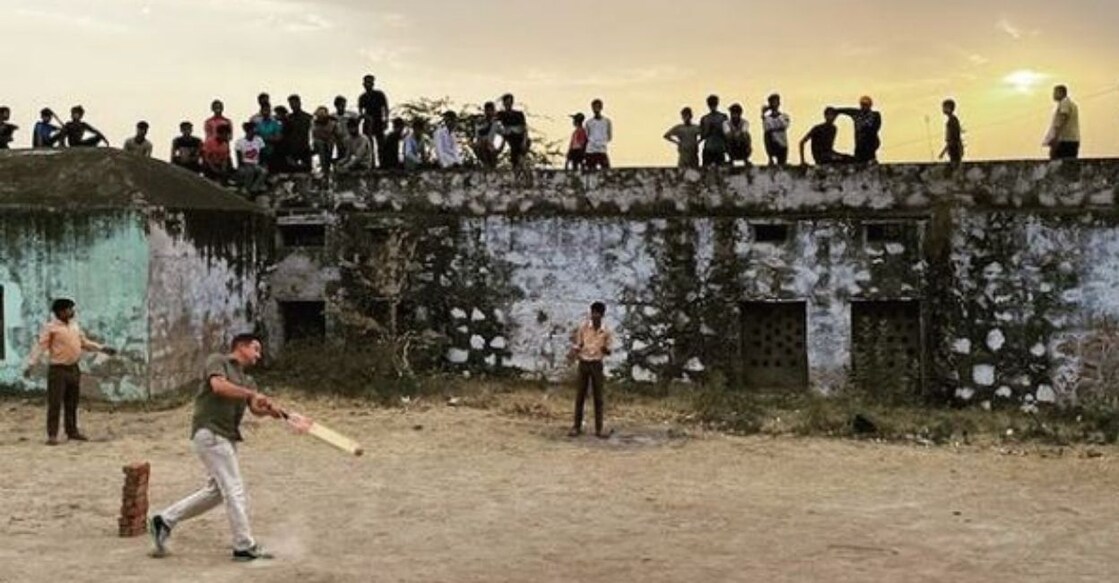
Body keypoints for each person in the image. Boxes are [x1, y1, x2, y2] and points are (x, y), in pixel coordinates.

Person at [147, 334, 282, 562]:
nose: (259, 356)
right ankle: (243, 546)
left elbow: (254, 407)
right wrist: (251, 395)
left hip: (226, 436)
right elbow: (219, 387)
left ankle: (165, 519)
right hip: (210, 432)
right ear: (240, 346)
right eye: (255, 349)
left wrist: (269, 411)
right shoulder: (218, 360)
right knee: (234, 489)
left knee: (217, 492)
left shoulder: (248, 381)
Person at [23, 298, 117, 446]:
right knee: (55, 402)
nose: (72, 312)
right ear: (60, 312)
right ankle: (52, 434)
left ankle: (72, 431)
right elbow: (40, 347)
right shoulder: (51, 328)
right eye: (69, 309)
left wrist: (102, 348)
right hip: (58, 370)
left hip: (74, 368)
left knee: (72, 402)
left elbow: (84, 343)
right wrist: (30, 365)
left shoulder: (74, 326)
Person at [567, 302, 614, 438]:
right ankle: (576, 426)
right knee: (580, 396)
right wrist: (572, 354)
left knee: (598, 397)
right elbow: (579, 344)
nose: (594, 316)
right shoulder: (584, 328)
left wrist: (604, 349)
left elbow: (609, 350)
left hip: (596, 364)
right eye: (593, 313)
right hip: (584, 363)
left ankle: (599, 428)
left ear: (602, 315)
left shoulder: (606, 331)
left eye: (597, 314)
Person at [835, 96, 882, 163]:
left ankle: (871, 160)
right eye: (863, 104)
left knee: (869, 154)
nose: (864, 106)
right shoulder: (857, 113)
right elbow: (847, 110)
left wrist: (866, 130)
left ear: (870, 105)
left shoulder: (875, 115)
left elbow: (876, 127)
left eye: (866, 105)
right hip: (859, 142)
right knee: (859, 158)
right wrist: (836, 110)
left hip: (871, 141)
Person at [358, 74, 389, 166]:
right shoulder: (362, 97)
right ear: (363, 84)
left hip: (378, 121)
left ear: (373, 83)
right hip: (368, 123)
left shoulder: (379, 94)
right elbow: (360, 111)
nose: (368, 84)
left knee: (381, 144)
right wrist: (365, 117)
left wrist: (386, 120)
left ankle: (383, 164)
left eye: (370, 82)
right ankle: (371, 165)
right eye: (367, 82)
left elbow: (386, 108)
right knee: (368, 145)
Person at [1044, 85, 1080, 160]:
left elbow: (1062, 119)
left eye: (1055, 92)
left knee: (1057, 160)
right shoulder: (1072, 104)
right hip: (1072, 139)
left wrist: (1055, 137)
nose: (1053, 95)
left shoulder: (1064, 102)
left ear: (1061, 93)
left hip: (1065, 140)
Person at [279, 95, 313, 173]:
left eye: (294, 103)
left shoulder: (308, 118)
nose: (293, 106)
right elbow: (284, 136)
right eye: (291, 104)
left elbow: (312, 134)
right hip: (292, 151)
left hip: (305, 150)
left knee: (307, 173)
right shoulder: (287, 118)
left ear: (299, 103)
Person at [234, 122, 268, 194]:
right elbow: (239, 157)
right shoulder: (240, 142)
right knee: (250, 171)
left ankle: (254, 189)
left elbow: (262, 153)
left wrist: (263, 164)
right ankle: (246, 188)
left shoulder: (259, 140)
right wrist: (241, 166)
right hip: (245, 163)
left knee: (264, 172)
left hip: (256, 163)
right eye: (253, 129)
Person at [497, 93, 529, 169]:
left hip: (519, 136)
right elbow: (493, 121)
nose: (508, 104)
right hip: (510, 136)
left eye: (510, 102)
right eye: (506, 103)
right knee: (515, 149)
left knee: (519, 148)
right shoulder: (501, 114)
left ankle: (518, 164)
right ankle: (517, 164)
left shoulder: (519, 114)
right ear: (504, 103)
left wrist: (524, 140)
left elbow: (524, 129)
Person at [761, 94, 791, 166]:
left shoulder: (784, 116)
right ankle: (770, 158)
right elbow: (767, 128)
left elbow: (784, 125)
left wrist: (776, 118)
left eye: (775, 102)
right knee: (767, 135)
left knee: (782, 163)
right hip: (773, 143)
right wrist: (763, 114)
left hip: (782, 143)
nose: (774, 104)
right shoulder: (767, 118)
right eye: (772, 102)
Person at [699, 95, 729, 167]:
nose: (712, 106)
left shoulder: (723, 117)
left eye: (714, 104)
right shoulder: (704, 118)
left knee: (720, 169)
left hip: (719, 148)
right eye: (711, 104)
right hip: (709, 148)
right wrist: (709, 130)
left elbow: (727, 133)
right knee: (706, 169)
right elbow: (702, 135)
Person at [473, 102, 503, 169]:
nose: (489, 113)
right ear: (485, 111)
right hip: (480, 145)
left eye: (491, 110)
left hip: (491, 147)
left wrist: (500, 147)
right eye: (487, 110)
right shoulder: (480, 121)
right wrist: (489, 123)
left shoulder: (496, 123)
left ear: (493, 111)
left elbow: (504, 134)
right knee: (482, 143)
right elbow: (480, 133)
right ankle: (485, 164)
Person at [584, 99, 612, 170]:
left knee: (606, 170)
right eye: (594, 107)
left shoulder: (607, 121)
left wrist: (602, 142)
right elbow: (587, 136)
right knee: (590, 171)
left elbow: (609, 136)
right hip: (591, 150)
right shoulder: (589, 123)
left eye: (598, 107)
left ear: (601, 107)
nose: (596, 109)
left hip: (602, 149)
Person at [253, 105, 282, 170]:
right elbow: (255, 138)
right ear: (261, 112)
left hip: (272, 151)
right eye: (264, 110)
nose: (266, 112)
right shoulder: (258, 124)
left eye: (268, 110)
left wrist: (264, 138)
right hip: (260, 152)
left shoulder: (275, 123)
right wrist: (269, 137)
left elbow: (278, 138)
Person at [312, 106, 338, 177]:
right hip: (318, 144)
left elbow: (336, 135)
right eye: (319, 117)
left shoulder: (332, 123)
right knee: (320, 144)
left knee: (331, 144)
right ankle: (323, 169)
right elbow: (314, 136)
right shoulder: (314, 124)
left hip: (330, 144)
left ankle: (329, 167)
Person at [938, 99, 964, 164]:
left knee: (955, 164)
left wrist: (943, 151)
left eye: (944, 107)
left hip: (954, 148)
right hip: (953, 147)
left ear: (949, 108)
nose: (943, 109)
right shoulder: (952, 120)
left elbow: (953, 138)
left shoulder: (952, 121)